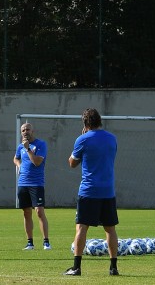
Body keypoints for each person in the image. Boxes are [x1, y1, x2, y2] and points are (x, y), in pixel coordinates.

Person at [64, 108, 118, 277]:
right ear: (100, 121)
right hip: (108, 190)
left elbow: (72, 163)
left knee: (81, 228)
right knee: (110, 229)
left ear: (85, 123)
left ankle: (76, 267)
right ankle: (113, 268)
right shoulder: (112, 138)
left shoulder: (82, 139)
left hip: (89, 191)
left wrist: (83, 139)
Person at [14, 122, 50, 251]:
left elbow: (37, 162)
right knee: (26, 212)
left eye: (28, 129)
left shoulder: (41, 144)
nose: (25, 132)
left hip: (36, 183)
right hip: (23, 183)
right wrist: (19, 165)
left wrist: (28, 149)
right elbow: (16, 158)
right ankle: (30, 243)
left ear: (32, 131)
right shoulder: (20, 147)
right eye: (23, 130)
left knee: (39, 212)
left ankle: (46, 242)